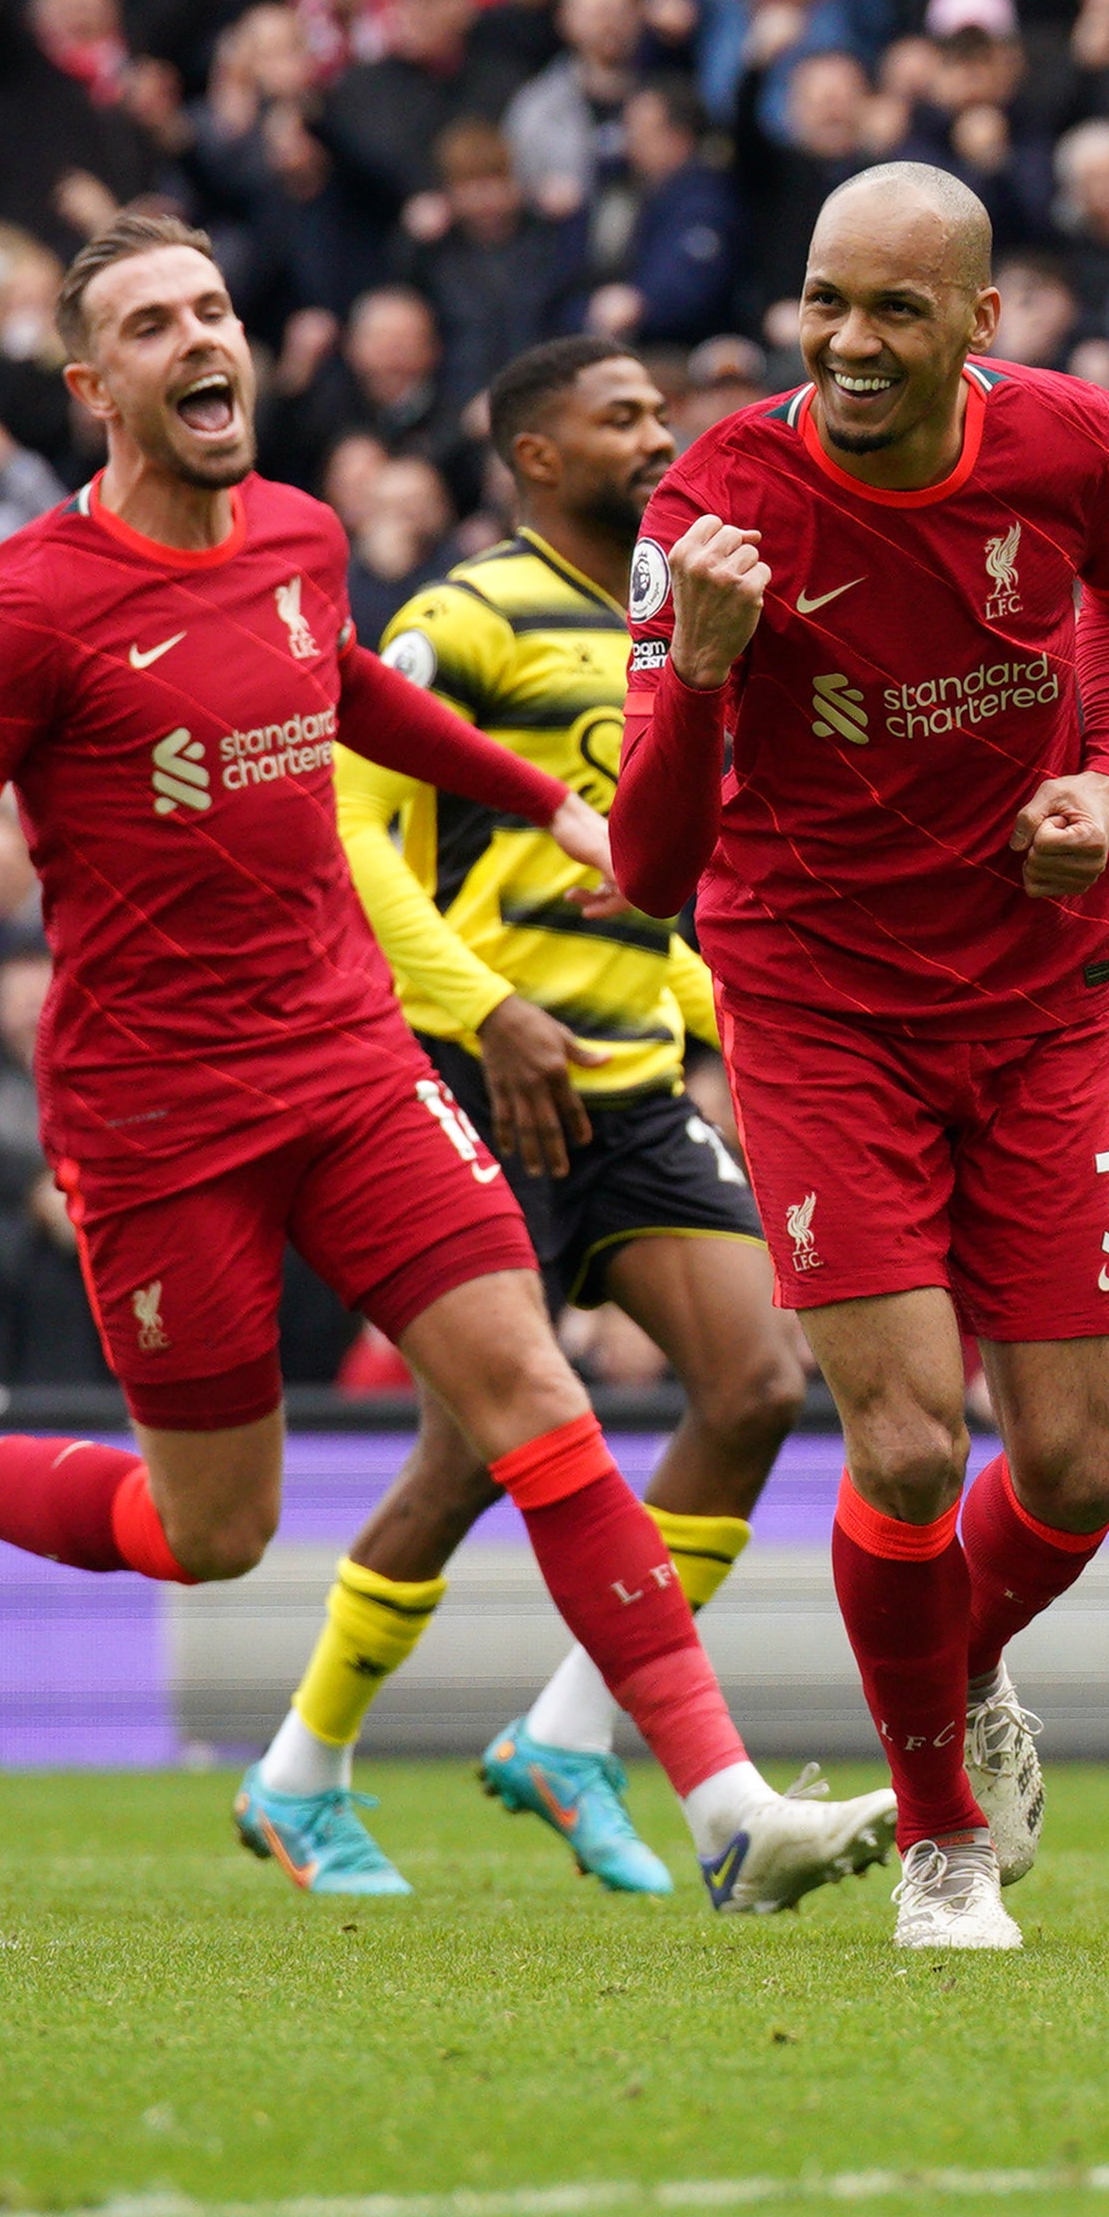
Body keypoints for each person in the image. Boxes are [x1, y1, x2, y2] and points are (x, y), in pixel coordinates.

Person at [0, 211, 892, 1915]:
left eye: (215, 306)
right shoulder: (20, 607)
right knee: (211, 1528)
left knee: (535, 1396)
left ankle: (726, 1804)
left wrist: (545, 798)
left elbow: (347, 691)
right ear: (97, 385)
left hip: (351, 1064)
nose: (198, 338)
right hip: (156, 1116)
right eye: (154, 324)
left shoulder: (304, 537)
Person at [608, 162, 1109, 1953]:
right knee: (917, 1443)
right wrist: (702, 675)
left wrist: (1104, 766)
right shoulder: (716, 503)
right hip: (820, 1001)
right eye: (824, 302)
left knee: (1083, 1463)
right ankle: (939, 1833)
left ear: (980, 324)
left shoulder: (1076, 442)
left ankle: (958, 1665)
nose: (851, 342)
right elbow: (644, 868)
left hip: (1033, 992)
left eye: (895, 310)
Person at [250, 334, 803, 1898]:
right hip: (470, 1070)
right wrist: (487, 1008)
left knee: (757, 1383)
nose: (657, 434)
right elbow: (348, 837)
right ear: (536, 455)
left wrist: (736, 1024)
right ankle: (303, 1768)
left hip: (621, 1072)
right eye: (619, 416)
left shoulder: (678, 633)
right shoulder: (461, 619)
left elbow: (659, 886)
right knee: (478, 1445)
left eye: (661, 411)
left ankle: (570, 1735)